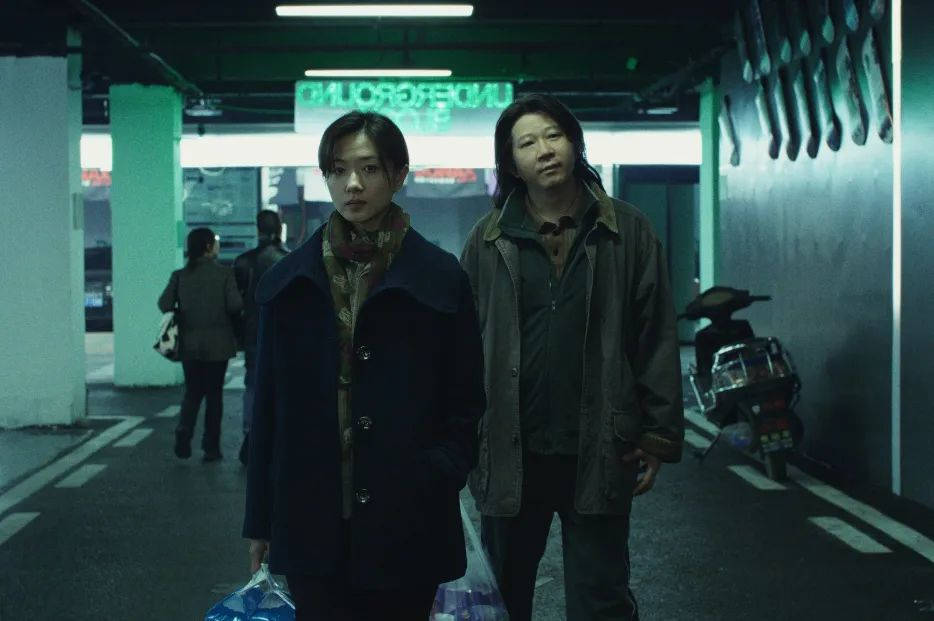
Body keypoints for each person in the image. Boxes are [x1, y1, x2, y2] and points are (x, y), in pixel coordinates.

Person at [242, 111, 485, 620]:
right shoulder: (288, 283)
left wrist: (441, 470)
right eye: (338, 169)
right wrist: (260, 520)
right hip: (312, 516)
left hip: (409, 513)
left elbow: (466, 396)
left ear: (398, 174)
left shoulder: (439, 278)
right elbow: (266, 409)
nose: (352, 184)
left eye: (369, 168)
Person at [460, 94, 684, 621]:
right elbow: (461, 345)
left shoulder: (628, 231)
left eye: (554, 135)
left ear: (575, 143)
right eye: (527, 143)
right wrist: (457, 436)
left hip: (599, 446)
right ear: (511, 163)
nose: (544, 150)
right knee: (503, 597)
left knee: (600, 598)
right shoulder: (487, 240)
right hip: (511, 449)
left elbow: (654, 334)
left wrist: (658, 434)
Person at [158, 228, 243, 462]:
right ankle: (211, 447)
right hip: (218, 345)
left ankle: (184, 430)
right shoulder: (225, 274)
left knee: (193, 392)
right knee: (214, 396)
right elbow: (235, 305)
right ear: (207, 246)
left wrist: (182, 310)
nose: (218, 245)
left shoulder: (179, 276)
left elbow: (164, 304)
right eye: (215, 242)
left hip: (189, 344)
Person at [233, 209, 289, 465]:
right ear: (280, 229)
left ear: (257, 229)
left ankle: (251, 436)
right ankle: (279, 441)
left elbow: (236, 303)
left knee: (253, 386)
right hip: (284, 335)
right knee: (284, 387)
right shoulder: (289, 260)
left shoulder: (243, 262)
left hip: (253, 334)